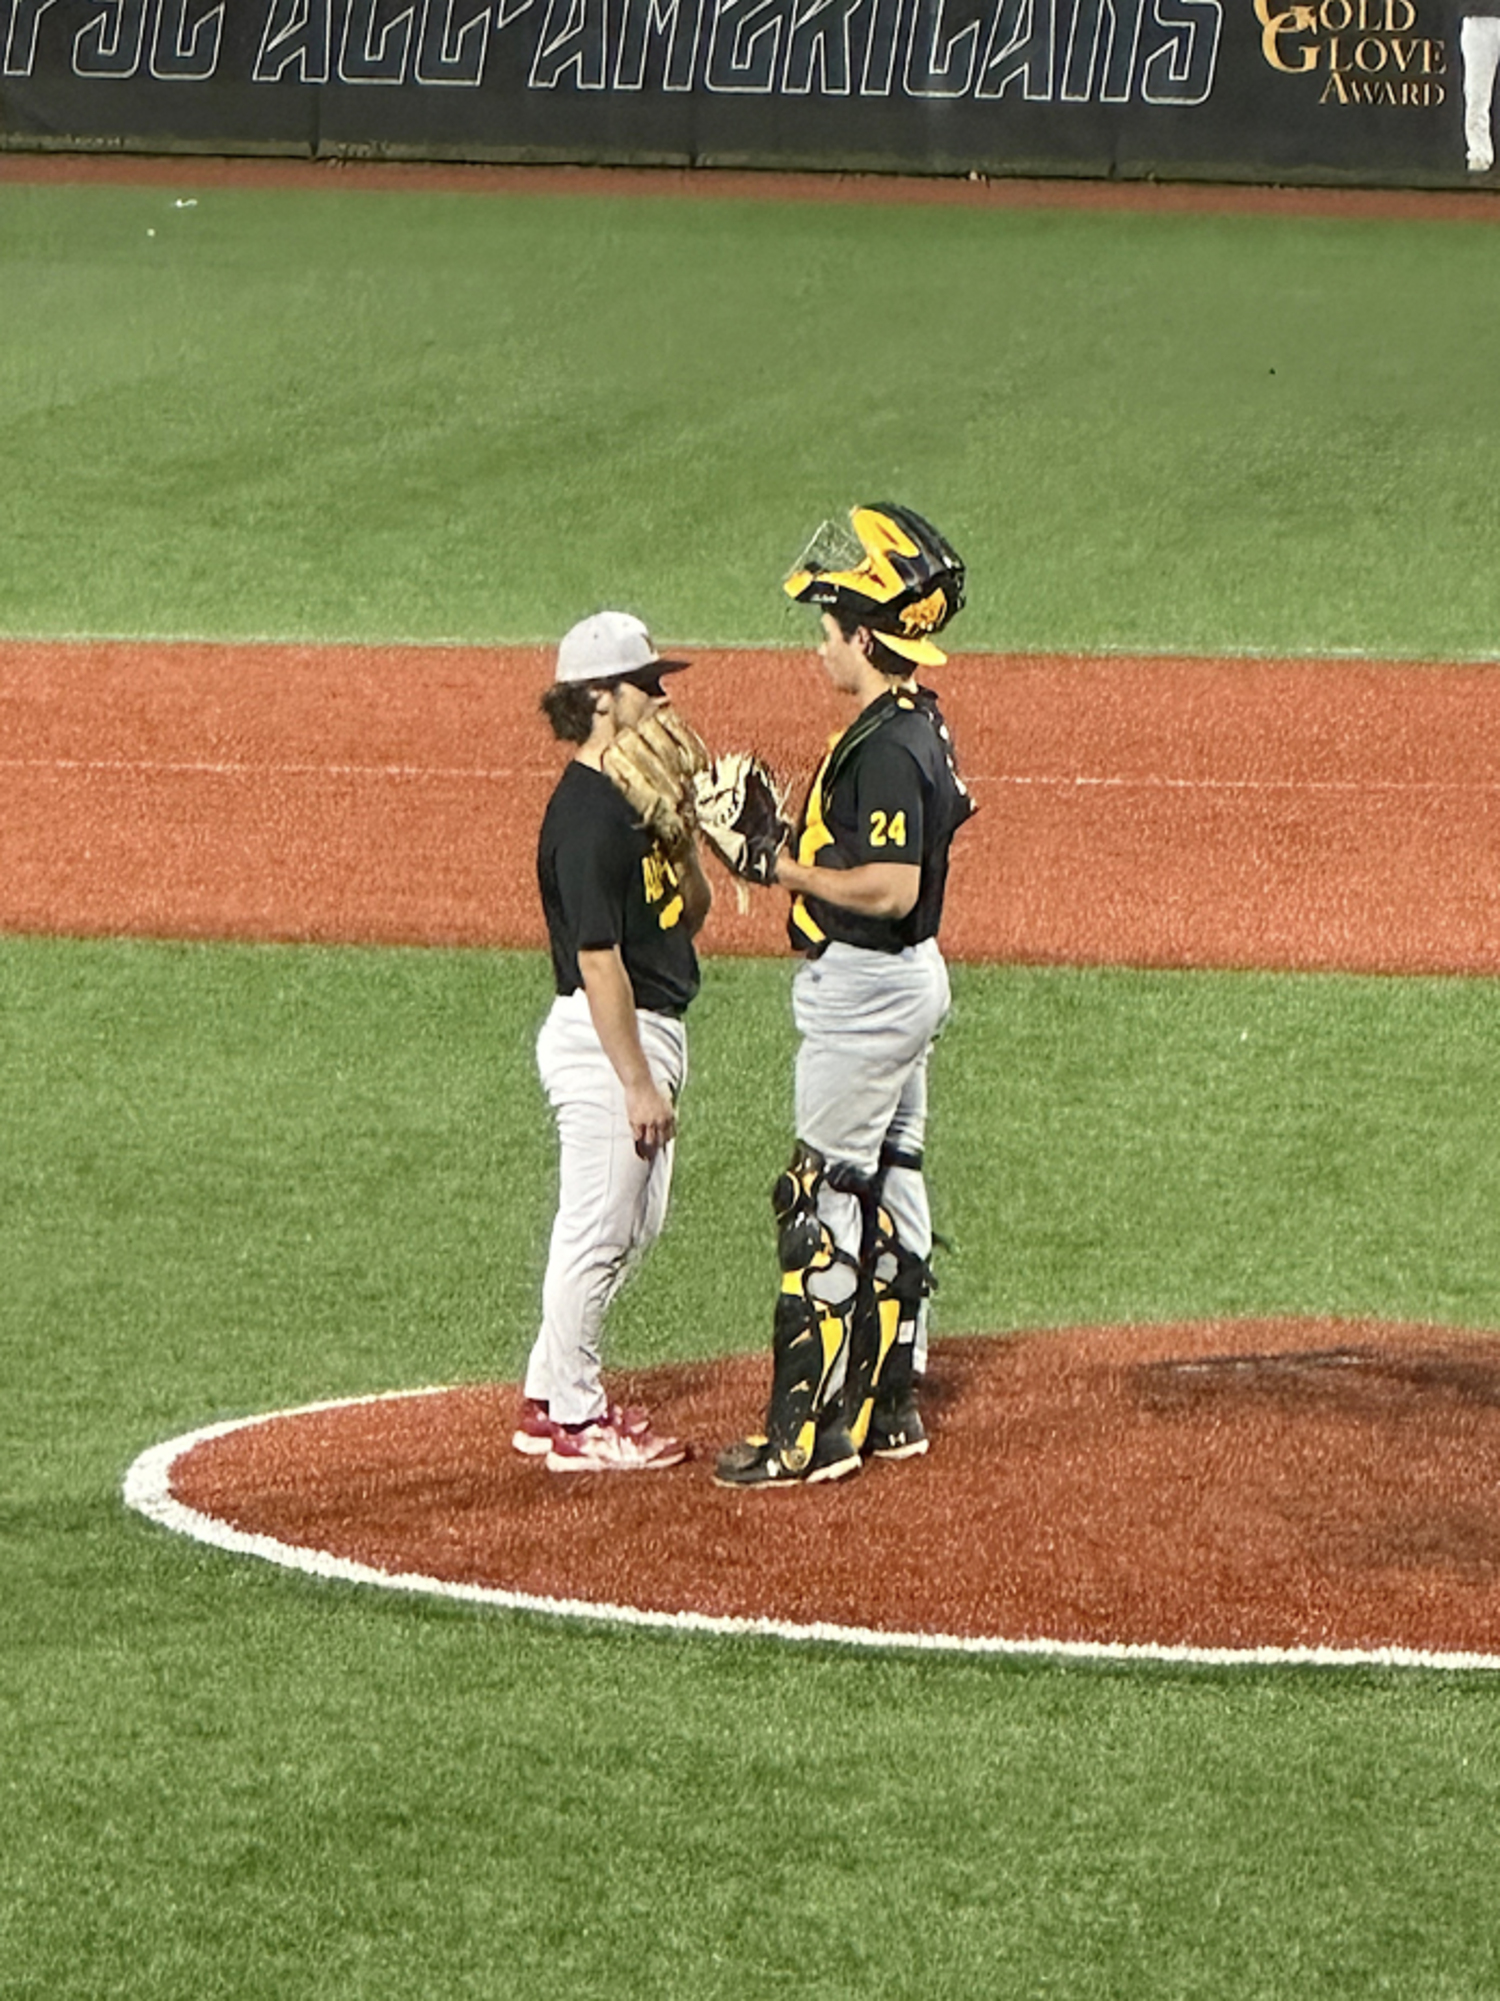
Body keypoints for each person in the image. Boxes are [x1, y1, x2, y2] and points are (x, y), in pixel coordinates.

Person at [714, 504, 974, 1490]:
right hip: (906, 979)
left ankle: (809, 1433)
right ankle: (892, 1400)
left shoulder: (885, 748)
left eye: (829, 628)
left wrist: (787, 870)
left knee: (820, 1200)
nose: (820, 643)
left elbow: (893, 884)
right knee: (892, 1177)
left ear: (866, 636)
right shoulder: (909, 724)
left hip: (867, 985)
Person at [513, 610, 710, 1473]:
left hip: (645, 1032)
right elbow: (598, 961)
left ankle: (545, 1394)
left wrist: (692, 837)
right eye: (646, 684)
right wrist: (635, 1080)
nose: (661, 699)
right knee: (600, 1231)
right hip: (608, 1044)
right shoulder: (587, 818)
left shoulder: (635, 801)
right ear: (598, 697)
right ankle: (577, 1419)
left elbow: (684, 918)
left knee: (624, 1227)